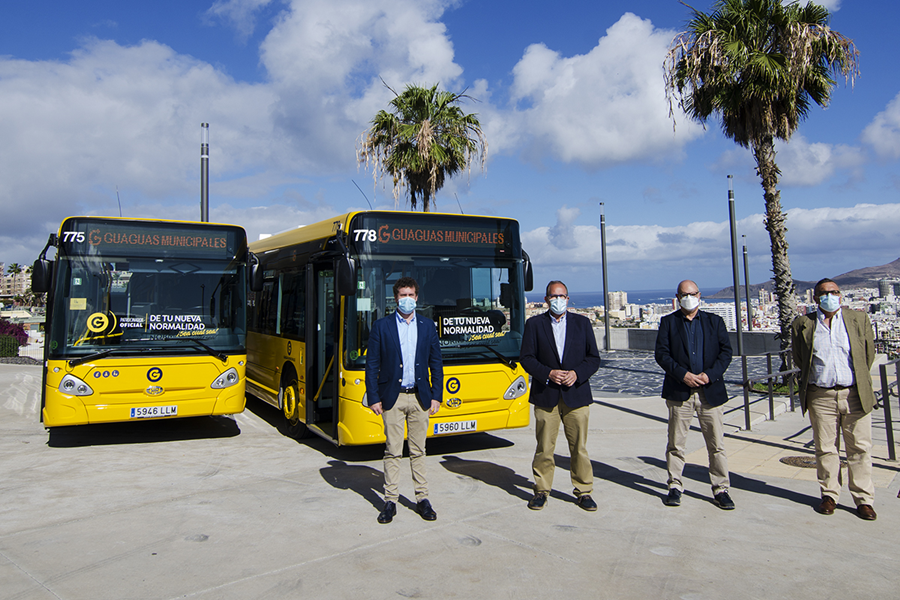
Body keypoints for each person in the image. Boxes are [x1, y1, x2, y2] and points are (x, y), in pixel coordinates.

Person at [791, 278, 877, 520]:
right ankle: (829, 495)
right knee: (826, 448)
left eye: (834, 292)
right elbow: (800, 358)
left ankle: (863, 499)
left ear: (840, 295)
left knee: (859, 447)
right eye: (824, 293)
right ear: (815, 298)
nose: (830, 296)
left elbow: (868, 355)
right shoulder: (803, 324)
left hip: (855, 393)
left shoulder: (858, 319)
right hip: (821, 394)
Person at [365, 277, 443, 524]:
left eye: (411, 295)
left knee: (419, 450)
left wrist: (437, 396)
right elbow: (372, 365)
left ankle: (422, 499)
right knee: (393, 451)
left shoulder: (428, 326)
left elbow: (436, 363)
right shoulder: (382, 326)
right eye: (402, 295)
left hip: (420, 397)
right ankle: (390, 500)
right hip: (392, 398)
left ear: (417, 297)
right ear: (395, 298)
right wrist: (374, 397)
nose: (407, 299)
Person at [520, 280, 601, 511]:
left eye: (562, 296)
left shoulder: (582, 323)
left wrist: (577, 374)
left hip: (577, 395)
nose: (558, 300)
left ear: (568, 298)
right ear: (546, 300)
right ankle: (542, 490)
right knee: (544, 447)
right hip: (546, 396)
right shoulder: (534, 324)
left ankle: (584, 491)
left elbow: (593, 358)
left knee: (579, 448)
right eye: (553, 296)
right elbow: (526, 358)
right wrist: (548, 373)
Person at [654, 280, 735, 510]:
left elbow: (726, 353)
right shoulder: (668, 322)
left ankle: (721, 489)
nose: (688, 297)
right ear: (677, 297)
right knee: (676, 444)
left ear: (699, 295)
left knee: (716, 443)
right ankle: (675, 486)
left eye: (692, 293)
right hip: (680, 392)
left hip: (710, 392)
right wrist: (684, 375)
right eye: (683, 294)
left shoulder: (714, 322)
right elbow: (662, 354)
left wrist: (709, 375)